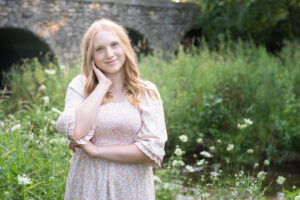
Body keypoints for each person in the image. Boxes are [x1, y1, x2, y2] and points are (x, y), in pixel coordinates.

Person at [56, 18, 168, 200]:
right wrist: (102, 86)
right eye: (99, 49)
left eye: (114, 45)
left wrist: (96, 151)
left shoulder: (146, 91)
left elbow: (153, 152)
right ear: (90, 56)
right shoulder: (80, 86)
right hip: (89, 183)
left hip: (132, 187)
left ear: (125, 46)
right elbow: (76, 131)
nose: (109, 54)